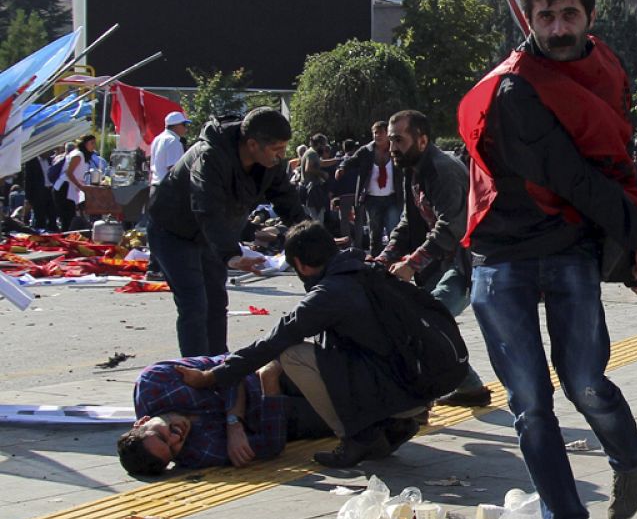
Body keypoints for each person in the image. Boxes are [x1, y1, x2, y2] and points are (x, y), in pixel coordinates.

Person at [458, 0, 637, 519]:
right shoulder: (517, 87)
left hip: (568, 244)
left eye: (569, 14)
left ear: (588, 17)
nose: (557, 26)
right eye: (545, 16)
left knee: (585, 381)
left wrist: (635, 239)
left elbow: (616, 160)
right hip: (503, 253)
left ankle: (629, 452)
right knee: (530, 402)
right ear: (530, 19)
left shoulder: (606, 71)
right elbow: (572, 174)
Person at [170, 220, 439, 468]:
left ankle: (358, 437)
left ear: (300, 264)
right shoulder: (366, 269)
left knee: (292, 355)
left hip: (397, 389)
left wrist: (212, 376)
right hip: (421, 384)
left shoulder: (328, 294)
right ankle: (393, 421)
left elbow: (272, 342)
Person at [146, 108, 304, 358]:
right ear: (252, 144)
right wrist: (230, 254)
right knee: (194, 304)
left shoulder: (269, 163)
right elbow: (206, 208)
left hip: (210, 236)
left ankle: (220, 366)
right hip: (172, 231)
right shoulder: (210, 156)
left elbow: (289, 203)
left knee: (216, 303)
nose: (281, 156)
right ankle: (197, 371)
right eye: (277, 149)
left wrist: (313, 241)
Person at [378, 108, 493, 408]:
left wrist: (411, 264)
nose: (392, 148)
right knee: (426, 325)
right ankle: (470, 389)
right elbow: (408, 223)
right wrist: (384, 257)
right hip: (441, 264)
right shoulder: (412, 169)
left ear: (422, 139)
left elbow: (451, 227)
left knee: (425, 323)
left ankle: (419, 405)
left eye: (398, 140)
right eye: (390, 141)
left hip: (467, 263)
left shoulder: (442, 170)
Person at [116, 356, 332, 476]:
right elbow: (270, 445)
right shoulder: (196, 454)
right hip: (281, 412)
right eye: (173, 450)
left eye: (163, 436)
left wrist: (234, 422)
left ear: (143, 421)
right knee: (355, 415)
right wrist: (270, 385)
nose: (176, 438)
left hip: (263, 369)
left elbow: (231, 367)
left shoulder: (155, 382)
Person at [338, 121, 401, 256]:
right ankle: (376, 262)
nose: (377, 136)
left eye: (380, 132)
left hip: (392, 198)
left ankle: (393, 261)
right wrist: (342, 168)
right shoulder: (366, 151)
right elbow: (350, 160)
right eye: (375, 133)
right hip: (372, 199)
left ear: (388, 133)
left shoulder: (396, 149)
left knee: (393, 231)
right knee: (375, 234)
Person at [149, 111, 190, 185]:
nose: (186, 128)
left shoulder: (157, 138)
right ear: (176, 125)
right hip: (167, 187)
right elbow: (174, 169)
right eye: (184, 124)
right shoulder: (173, 140)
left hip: (155, 185)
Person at [22, 151, 58, 232]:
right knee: (40, 217)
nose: (49, 154)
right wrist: (28, 198)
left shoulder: (50, 160)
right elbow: (28, 180)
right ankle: (40, 235)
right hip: (38, 194)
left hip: (50, 191)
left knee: (52, 215)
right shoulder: (31, 162)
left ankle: (53, 233)